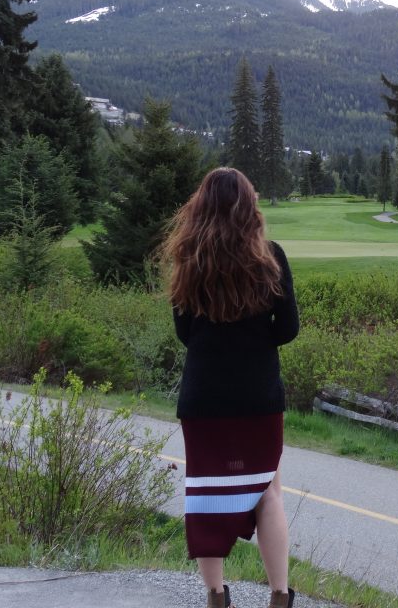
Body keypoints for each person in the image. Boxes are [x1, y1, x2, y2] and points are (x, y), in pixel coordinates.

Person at [162, 167, 299, 608]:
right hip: (258, 398)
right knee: (268, 493)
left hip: (204, 400)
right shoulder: (271, 257)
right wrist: (255, 340)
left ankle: (217, 598)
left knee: (205, 496)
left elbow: (185, 333)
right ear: (250, 207)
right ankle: (279, 597)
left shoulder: (188, 258)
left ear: (200, 207)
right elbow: (288, 329)